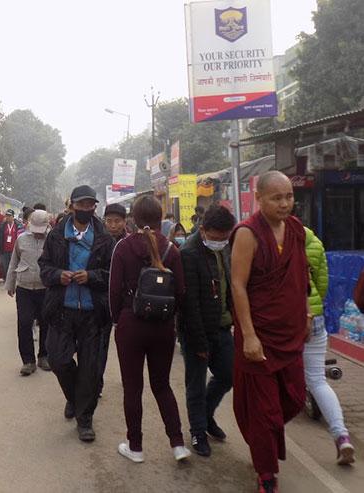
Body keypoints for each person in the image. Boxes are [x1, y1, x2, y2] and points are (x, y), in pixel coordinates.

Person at [230, 171, 311, 493]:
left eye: (289, 196)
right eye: (277, 198)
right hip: (259, 334)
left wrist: (304, 310)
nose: (284, 203)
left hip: (290, 332)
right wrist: (248, 334)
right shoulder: (248, 233)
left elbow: (300, 272)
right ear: (259, 198)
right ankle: (266, 475)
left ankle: (260, 439)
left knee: (294, 398)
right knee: (265, 411)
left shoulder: (295, 230)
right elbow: (238, 284)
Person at [109, 196, 190, 464]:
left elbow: (114, 290)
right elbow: (180, 292)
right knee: (162, 385)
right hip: (163, 327)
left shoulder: (123, 247)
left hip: (131, 325)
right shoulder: (172, 249)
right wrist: (169, 318)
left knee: (132, 388)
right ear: (160, 217)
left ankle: (136, 447)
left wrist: (117, 320)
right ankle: (177, 444)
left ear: (133, 217)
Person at [39, 185, 115, 442]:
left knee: (90, 369)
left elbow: (112, 275)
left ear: (95, 207)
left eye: (90, 205)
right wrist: (58, 275)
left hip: (93, 312)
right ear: (71, 205)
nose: (85, 209)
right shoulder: (56, 235)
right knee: (58, 360)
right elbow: (44, 268)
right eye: (81, 204)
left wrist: (91, 276)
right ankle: (74, 397)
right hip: (62, 309)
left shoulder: (105, 237)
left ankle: (84, 419)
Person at [179, 205, 236, 457]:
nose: (221, 241)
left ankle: (206, 415)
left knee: (228, 375)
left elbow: (229, 286)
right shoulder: (189, 253)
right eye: (216, 236)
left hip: (222, 326)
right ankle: (198, 432)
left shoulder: (225, 248)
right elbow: (189, 303)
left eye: (225, 236)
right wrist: (199, 342)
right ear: (203, 230)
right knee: (196, 383)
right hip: (196, 330)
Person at [303, 227, 355, 465]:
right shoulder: (313, 240)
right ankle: (341, 435)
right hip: (315, 317)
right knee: (318, 381)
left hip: (288, 322)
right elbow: (322, 283)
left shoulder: (276, 240)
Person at [5, 210, 51, 376]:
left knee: (46, 322)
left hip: (45, 288)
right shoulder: (21, 239)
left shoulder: (52, 240)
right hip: (24, 288)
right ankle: (28, 361)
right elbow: (13, 262)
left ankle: (44, 356)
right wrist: (10, 284)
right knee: (24, 323)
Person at [99, 203, 129, 396]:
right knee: (100, 347)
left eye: (117, 221)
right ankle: (97, 383)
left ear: (124, 222)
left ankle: (129, 379)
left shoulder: (130, 243)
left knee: (126, 347)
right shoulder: (98, 242)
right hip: (101, 301)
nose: (113, 225)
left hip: (124, 304)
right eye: (109, 221)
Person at [0, 209, 19, 281]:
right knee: (5, 266)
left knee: (14, 265)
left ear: (13, 216)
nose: (8, 217)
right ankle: (7, 279)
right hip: (4, 250)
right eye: (7, 216)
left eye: (9, 216)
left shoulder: (17, 225)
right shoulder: (2, 226)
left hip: (14, 250)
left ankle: (14, 279)